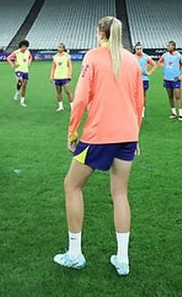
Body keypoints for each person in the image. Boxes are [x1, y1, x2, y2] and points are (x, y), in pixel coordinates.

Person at [55, 16, 144, 276]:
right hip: (127, 134)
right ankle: (123, 259)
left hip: (99, 136)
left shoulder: (92, 57)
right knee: (120, 194)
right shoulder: (131, 59)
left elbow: (80, 98)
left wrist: (72, 130)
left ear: (100, 32)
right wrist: (136, 135)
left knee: (71, 186)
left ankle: (74, 254)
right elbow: (139, 101)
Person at [160, 41, 182, 121]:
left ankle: (181, 114)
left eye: (169, 46)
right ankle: (173, 113)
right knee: (170, 96)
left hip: (175, 80)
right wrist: (165, 67)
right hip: (167, 79)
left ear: (173, 46)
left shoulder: (179, 56)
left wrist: (180, 77)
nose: (167, 47)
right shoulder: (165, 55)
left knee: (178, 96)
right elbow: (160, 62)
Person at [134, 43, 157, 116]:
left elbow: (154, 65)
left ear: (142, 49)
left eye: (140, 49)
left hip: (144, 79)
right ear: (135, 49)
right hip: (135, 79)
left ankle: (142, 110)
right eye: (137, 49)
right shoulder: (132, 57)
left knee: (143, 95)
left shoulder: (146, 57)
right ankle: (136, 109)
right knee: (135, 95)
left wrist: (149, 72)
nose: (139, 50)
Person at [50, 43, 75, 112]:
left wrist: (69, 75)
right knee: (58, 92)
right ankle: (60, 106)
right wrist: (52, 76)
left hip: (65, 76)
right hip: (57, 76)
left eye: (61, 47)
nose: (60, 48)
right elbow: (53, 67)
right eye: (59, 47)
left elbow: (70, 66)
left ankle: (72, 106)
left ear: (64, 48)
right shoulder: (55, 57)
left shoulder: (67, 56)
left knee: (68, 92)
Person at [8, 40, 33, 107]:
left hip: (25, 70)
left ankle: (21, 100)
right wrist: (12, 65)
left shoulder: (28, 52)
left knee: (24, 85)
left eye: (25, 47)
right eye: (23, 46)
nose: (24, 48)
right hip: (18, 70)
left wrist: (29, 63)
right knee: (20, 80)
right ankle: (17, 93)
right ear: (20, 46)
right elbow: (8, 58)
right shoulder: (16, 52)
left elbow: (31, 57)